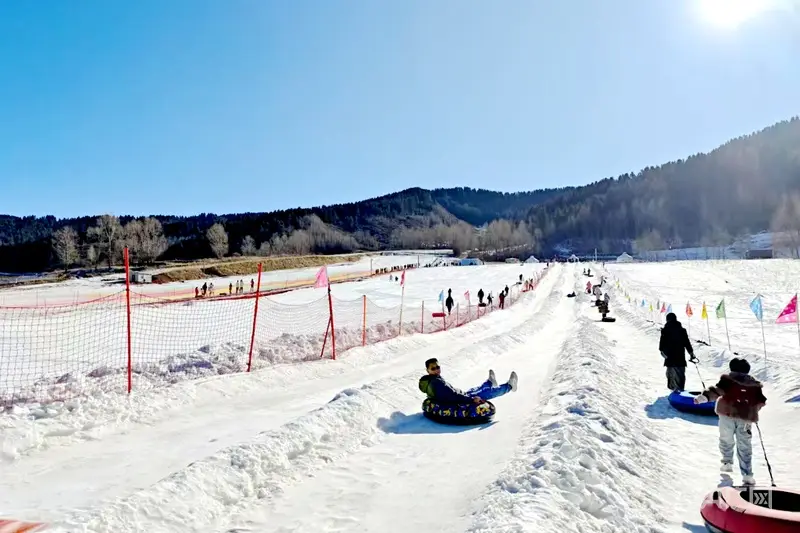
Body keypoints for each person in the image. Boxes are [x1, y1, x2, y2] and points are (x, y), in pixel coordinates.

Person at [694, 358, 766, 485]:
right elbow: (761, 401)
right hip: (745, 419)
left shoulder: (728, 381)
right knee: (744, 445)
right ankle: (747, 474)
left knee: (726, 438)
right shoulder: (754, 385)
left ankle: (727, 462)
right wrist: (754, 409)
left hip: (726, 415)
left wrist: (703, 398)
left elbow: (716, 391)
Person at [418, 358, 518, 405]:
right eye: (433, 368)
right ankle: (509, 386)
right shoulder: (437, 383)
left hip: (456, 396)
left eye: (437, 367)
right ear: (428, 370)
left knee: (473, 390)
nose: (436, 370)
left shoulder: (431, 380)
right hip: (457, 401)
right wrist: (471, 400)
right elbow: (452, 395)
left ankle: (490, 383)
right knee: (484, 394)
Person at [659, 312, 697, 391]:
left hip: (669, 358)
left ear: (667, 320)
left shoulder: (665, 330)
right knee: (680, 375)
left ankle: (673, 391)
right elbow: (687, 343)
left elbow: (661, 346)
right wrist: (691, 354)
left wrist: (664, 354)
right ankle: (680, 391)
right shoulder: (682, 330)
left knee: (670, 375)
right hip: (680, 357)